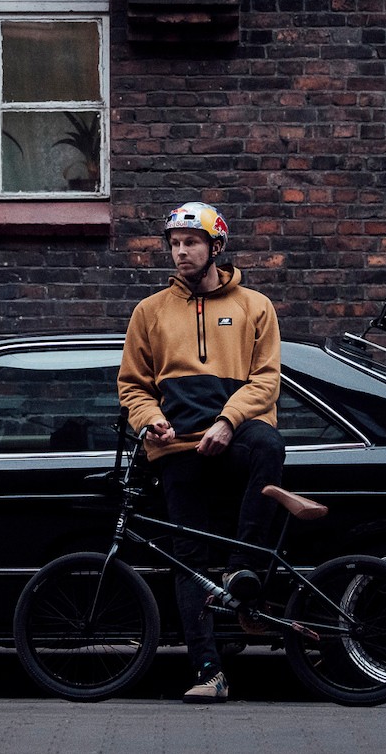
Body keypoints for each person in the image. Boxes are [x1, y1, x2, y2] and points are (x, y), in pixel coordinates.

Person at [117, 200, 285, 704]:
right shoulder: (149, 312)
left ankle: (241, 568)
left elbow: (266, 381)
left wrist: (228, 422)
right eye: (174, 243)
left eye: (191, 243)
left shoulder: (256, 306)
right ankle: (209, 673)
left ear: (216, 248)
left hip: (234, 438)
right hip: (176, 451)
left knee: (269, 445)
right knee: (188, 561)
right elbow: (132, 387)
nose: (181, 251)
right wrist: (152, 421)